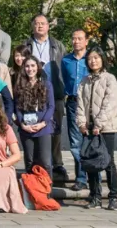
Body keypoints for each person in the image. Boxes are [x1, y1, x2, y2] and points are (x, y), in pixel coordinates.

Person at [77, 46, 117, 210]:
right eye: (90, 58)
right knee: (91, 163)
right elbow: (79, 104)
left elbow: (110, 104)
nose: (93, 61)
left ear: (102, 59)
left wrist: (99, 124)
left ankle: (113, 196)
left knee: (108, 161)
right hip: (88, 128)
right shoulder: (84, 81)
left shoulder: (109, 79)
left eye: (96, 57)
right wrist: (82, 123)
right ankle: (95, 196)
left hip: (106, 128)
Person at [24, 14, 67, 181]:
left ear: (48, 26)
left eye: (43, 23)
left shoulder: (57, 46)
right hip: (32, 92)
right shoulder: (26, 45)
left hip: (54, 92)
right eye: (36, 24)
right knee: (32, 125)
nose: (40, 26)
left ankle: (57, 163)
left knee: (55, 128)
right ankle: (36, 162)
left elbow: (63, 69)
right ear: (32, 26)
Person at [14, 55, 55, 179]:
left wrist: (43, 123)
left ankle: (46, 194)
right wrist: (22, 124)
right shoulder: (20, 85)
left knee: (46, 162)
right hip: (26, 129)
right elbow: (18, 108)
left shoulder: (46, 84)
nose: (30, 69)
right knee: (30, 162)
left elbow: (51, 106)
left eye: (32, 65)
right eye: (27, 66)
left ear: (37, 67)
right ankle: (32, 194)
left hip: (43, 128)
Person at [62, 28, 90, 192]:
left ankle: (93, 175)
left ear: (86, 41)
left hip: (90, 104)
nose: (76, 41)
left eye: (80, 38)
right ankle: (81, 178)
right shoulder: (66, 61)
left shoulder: (92, 59)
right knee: (75, 142)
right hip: (73, 102)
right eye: (74, 38)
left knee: (91, 141)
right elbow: (66, 81)